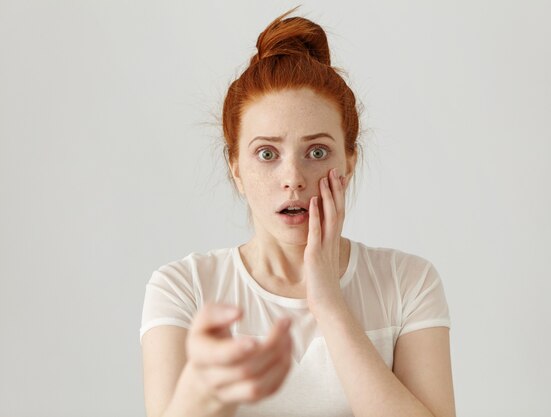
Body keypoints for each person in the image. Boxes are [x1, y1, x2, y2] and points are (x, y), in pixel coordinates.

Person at [140, 6, 456, 417]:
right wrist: (202, 388)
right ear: (235, 166)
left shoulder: (408, 284)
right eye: (267, 153)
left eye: (317, 152)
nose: (293, 178)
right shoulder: (184, 289)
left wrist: (327, 301)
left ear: (349, 161)